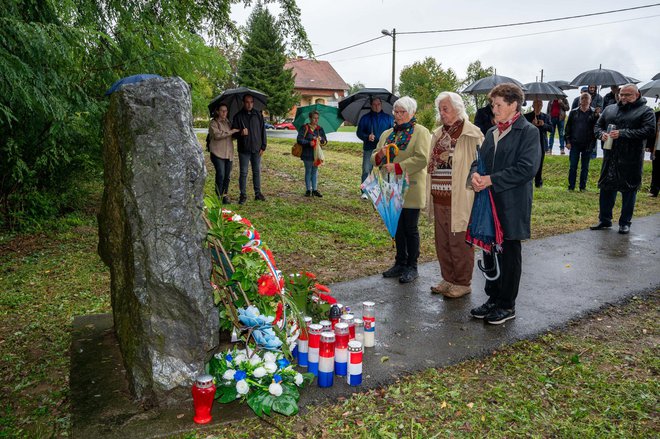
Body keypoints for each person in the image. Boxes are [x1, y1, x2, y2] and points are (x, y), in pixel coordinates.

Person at [469, 83, 541, 325]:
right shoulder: (491, 132)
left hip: (512, 203)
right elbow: (480, 161)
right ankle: (493, 297)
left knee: (509, 252)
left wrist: (491, 179)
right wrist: (475, 175)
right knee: (490, 250)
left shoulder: (528, 132)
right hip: (489, 203)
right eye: (493, 104)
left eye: (498, 105)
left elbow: (527, 168)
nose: (494, 109)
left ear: (513, 105)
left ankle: (507, 304)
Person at [427, 92, 484, 298]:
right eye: (440, 109)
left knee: (459, 240)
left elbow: (482, 164)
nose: (442, 113)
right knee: (442, 241)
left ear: (458, 109)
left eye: (446, 109)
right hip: (439, 196)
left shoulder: (472, 134)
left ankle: (462, 282)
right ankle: (448, 278)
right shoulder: (437, 134)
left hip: (460, 197)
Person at [374, 96, 431, 284]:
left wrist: (398, 167)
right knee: (397, 226)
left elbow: (422, 158)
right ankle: (400, 262)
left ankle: (412, 266)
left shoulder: (421, 132)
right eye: (396, 112)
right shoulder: (388, 134)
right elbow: (374, 158)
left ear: (412, 113)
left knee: (410, 227)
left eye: (402, 112)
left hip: (411, 187)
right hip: (391, 187)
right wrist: (380, 155)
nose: (398, 116)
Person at [590, 84, 656, 234]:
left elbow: (649, 130)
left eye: (628, 95)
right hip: (610, 156)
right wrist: (602, 134)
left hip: (631, 158)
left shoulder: (646, 111)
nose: (623, 97)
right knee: (606, 189)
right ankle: (605, 219)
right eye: (622, 94)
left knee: (629, 191)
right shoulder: (610, 109)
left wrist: (623, 133)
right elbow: (597, 126)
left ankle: (625, 222)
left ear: (637, 95)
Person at [232, 94, 267, 205]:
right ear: (243, 102)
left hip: (256, 149)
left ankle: (258, 193)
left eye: (251, 102)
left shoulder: (258, 115)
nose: (249, 104)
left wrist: (263, 146)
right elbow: (233, 134)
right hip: (244, 149)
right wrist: (240, 133)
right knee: (243, 172)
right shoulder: (238, 116)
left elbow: (263, 131)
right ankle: (243, 195)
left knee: (256, 171)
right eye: (247, 102)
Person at [357, 97, 394, 200]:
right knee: (366, 169)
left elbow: (393, 133)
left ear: (381, 104)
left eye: (378, 104)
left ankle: (384, 191)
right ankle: (365, 191)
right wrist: (367, 137)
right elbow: (359, 132)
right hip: (369, 148)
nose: (376, 106)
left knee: (385, 170)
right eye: (374, 104)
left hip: (384, 149)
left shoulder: (388, 118)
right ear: (371, 105)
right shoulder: (365, 118)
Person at [565, 92, 598, 191]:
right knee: (573, 166)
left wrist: (597, 116)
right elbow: (568, 128)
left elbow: (597, 128)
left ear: (590, 100)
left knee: (585, 167)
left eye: (586, 98)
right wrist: (567, 141)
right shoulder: (574, 112)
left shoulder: (594, 113)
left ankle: (582, 187)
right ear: (580, 100)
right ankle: (571, 186)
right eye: (582, 98)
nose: (584, 100)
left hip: (588, 144)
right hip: (575, 143)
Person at [208, 104, 240, 204]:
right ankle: (218, 195)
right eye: (222, 111)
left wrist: (238, 133)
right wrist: (231, 132)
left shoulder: (228, 122)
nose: (224, 113)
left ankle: (224, 195)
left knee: (227, 176)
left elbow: (230, 137)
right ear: (217, 111)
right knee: (220, 174)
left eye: (226, 111)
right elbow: (217, 135)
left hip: (228, 153)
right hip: (217, 153)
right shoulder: (214, 123)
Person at [296, 110, 327, 197]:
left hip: (317, 154)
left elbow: (325, 141)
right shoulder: (304, 128)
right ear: (310, 118)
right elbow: (299, 139)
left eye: (317, 118)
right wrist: (309, 143)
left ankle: (315, 190)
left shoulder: (320, 129)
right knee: (308, 171)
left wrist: (321, 140)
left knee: (315, 171)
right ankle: (308, 190)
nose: (316, 120)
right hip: (307, 154)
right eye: (314, 118)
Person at [524, 99, 552, 188]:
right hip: (530, 143)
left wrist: (543, 125)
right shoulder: (526, 116)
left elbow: (551, 129)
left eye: (540, 104)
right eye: (536, 104)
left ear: (542, 106)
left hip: (541, 142)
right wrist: (531, 124)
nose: (538, 106)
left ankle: (538, 182)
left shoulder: (546, 117)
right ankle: (528, 181)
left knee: (540, 163)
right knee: (529, 162)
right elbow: (523, 128)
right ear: (532, 106)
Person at [648, 110, 660, 197]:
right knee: (656, 169)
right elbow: (651, 130)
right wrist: (649, 145)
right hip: (657, 146)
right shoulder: (656, 115)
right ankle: (654, 190)